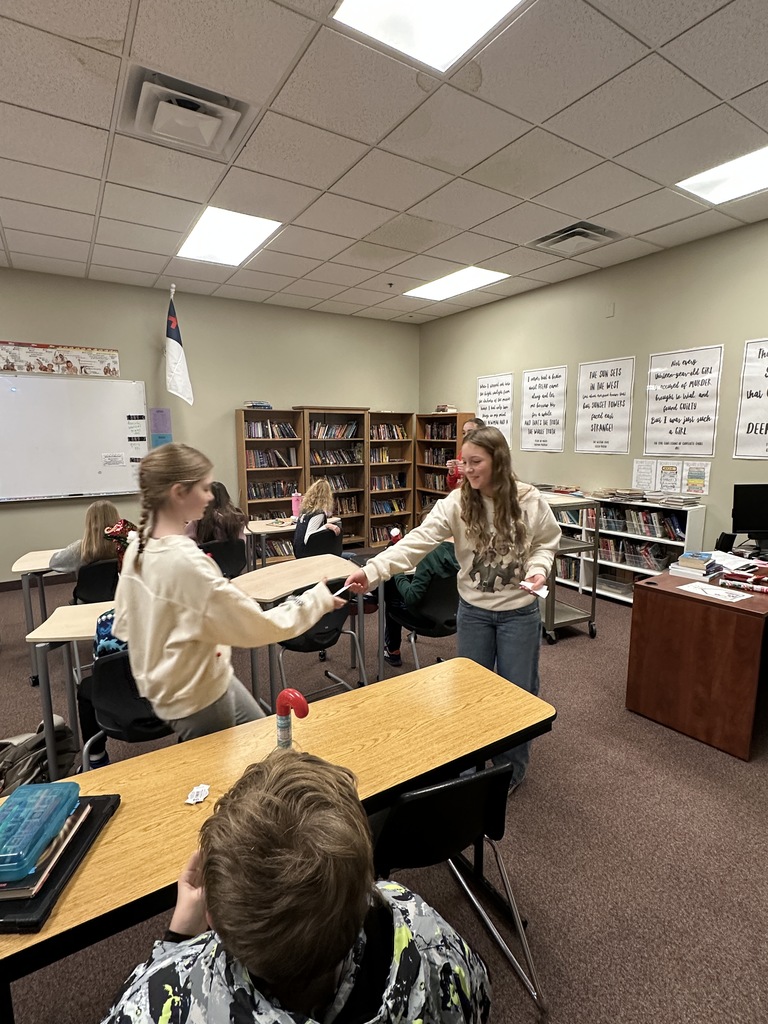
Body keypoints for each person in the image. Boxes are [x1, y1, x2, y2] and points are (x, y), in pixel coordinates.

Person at [101, 748, 491, 1024]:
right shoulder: (431, 938)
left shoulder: (159, 1002)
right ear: (368, 891)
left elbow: (143, 1004)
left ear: (214, 923)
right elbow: (479, 995)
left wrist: (177, 941)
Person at [345, 426, 561, 787]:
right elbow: (415, 543)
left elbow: (546, 542)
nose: (467, 469)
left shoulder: (529, 500)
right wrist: (373, 571)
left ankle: (511, 769)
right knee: (471, 695)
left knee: (518, 692)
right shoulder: (456, 504)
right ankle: (470, 766)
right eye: (464, 462)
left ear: (499, 461)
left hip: (519, 613)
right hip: (474, 612)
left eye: (476, 462)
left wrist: (539, 571)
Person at [113, 443, 344, 741]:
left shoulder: (139, 545)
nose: (210, 496)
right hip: (196, 694)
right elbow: (258, 626)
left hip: (194, 675)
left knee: (264, 740)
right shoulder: (185, 563)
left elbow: (124, 623)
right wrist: (316, 600)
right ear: (179, 492)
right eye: (204, 488)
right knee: (228, 772)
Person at [383, 538, 460, 667]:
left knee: (391, 594)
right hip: (455, 618)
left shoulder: (429, 555)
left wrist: (398, 572)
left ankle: (393, 651)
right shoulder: (466, 550)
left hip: (424, 619)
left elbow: (411, 596)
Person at [49, 500, 120, 574]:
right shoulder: (127, 545)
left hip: (89, 585)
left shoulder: (79, 549)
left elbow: (54, 563)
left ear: (90, 523)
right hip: (120, 586)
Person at [292, 478, 342, 558]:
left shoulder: (305, 510)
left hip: (298, 552)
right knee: (352, 556)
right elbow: (308, 538)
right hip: (307, 554)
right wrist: (326, 526)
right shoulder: (318, 513)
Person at [446, 417, 486, 490]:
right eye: (464, 433)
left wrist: (467, 474)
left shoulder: (485, 454)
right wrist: (451, 472)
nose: (466, 436)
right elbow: (452, 486)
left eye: (470, 432)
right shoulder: (463, 453)